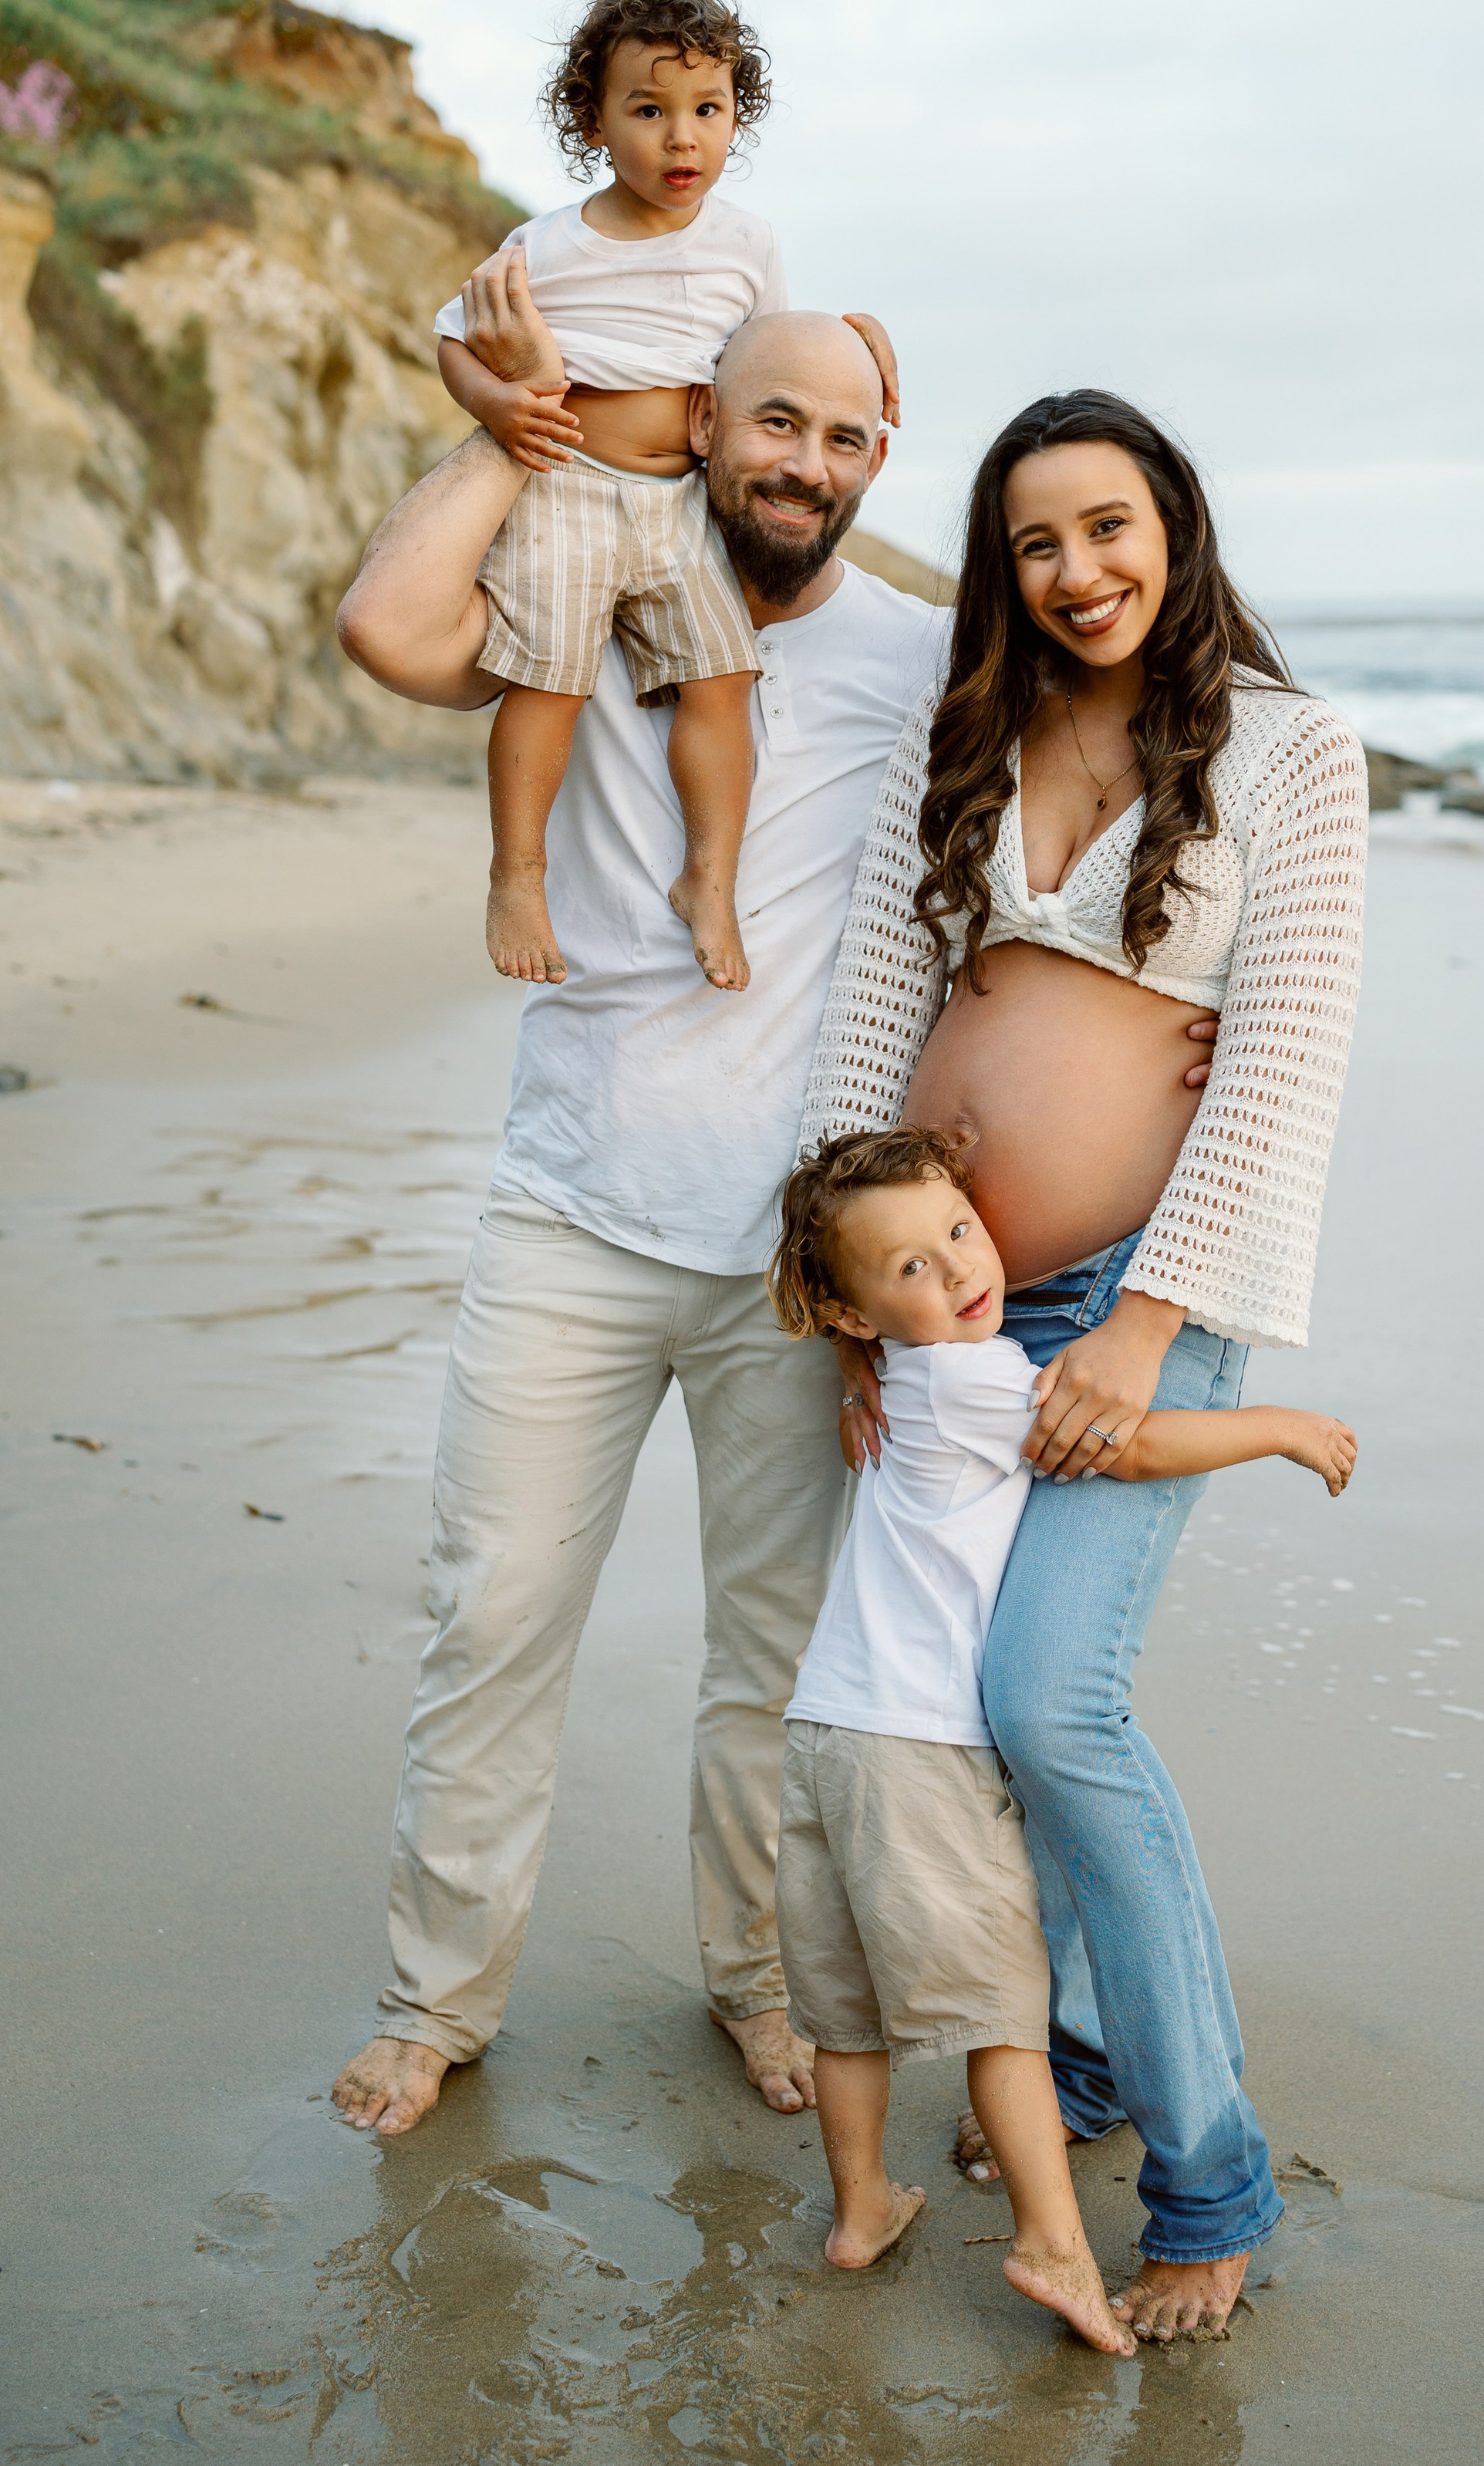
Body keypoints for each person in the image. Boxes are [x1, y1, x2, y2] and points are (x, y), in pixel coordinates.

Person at [327, 309, 941, 2136]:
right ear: (701, 423)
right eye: (768, 421)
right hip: (570, 1212)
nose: (801, 465)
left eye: (841, 436)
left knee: (775, 1656)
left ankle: (755, 1986)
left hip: (794, 1264)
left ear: (877, 455)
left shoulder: (918, 655)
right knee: (494, 1615)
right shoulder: (589, 584)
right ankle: (434, 2003)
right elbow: (384, 628)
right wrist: (526, 430)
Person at [801, 388, 1368, 2340]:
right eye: (1038, 541)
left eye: (1109, 527)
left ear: (1175, 527)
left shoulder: (1291, 753)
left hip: (1138, 1287)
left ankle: (1209, 2175)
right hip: (934, 1309)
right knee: (955, 1703)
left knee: (1054, 1709)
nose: (1080, 570)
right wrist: (847, 1304)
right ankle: (1084, 2060)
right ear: (1004, 568)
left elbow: (1283, 1055)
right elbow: (875, 1008)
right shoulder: (965, 731)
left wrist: (1141, 1319)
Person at [764, 1125, 1354, 2352]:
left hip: (824, 1732)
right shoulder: (983, 1381)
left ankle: (862, 2206)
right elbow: (1132, 1443)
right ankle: (1051, 2240)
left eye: (961, 1233)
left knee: (847, 2009)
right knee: (999, 2020)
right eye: (913, 1268)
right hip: (920, 1751)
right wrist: (1284, 1427)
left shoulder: (903, 1384)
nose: (962, 1270)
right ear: (856, 1314)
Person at [433, 0, 899, 993]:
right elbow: (454, 338)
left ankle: (709, 878)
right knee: (547, 682)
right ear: (594, 122)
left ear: (738, 119)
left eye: (708, 109)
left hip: (680, 506)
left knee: (722, 681)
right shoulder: (545, 244)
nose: (681, 136)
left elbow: (769, 349)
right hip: (568, 486)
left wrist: (852, 335)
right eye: (648, 109)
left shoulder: (748, 241)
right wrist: (494, 404)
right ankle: (518, 874)